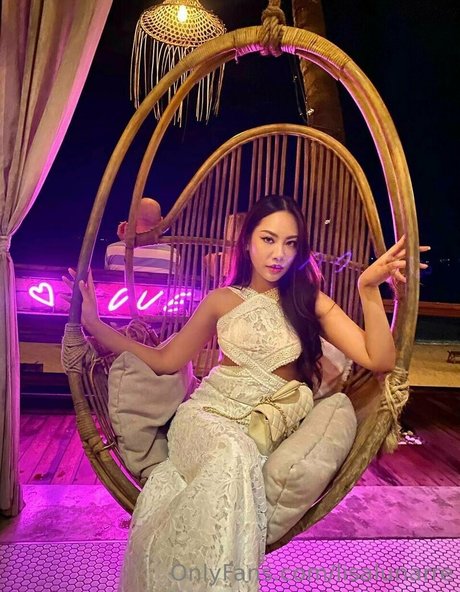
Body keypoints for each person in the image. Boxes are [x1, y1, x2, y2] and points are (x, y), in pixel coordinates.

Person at [63, 195, 429, 591]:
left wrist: (368, 288)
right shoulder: (222, 300)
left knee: (238, 453)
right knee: (233, 452)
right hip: (204, 419)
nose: (278, 253)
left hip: (257, 431)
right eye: (268, 239)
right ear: (248, 242)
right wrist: (95, 326)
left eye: (290, 243)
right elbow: (166, 360)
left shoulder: (309, 302)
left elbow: (379, 358)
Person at [105, 197, 177, 274]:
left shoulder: (112, 250)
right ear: (161, 221)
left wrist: (124, 242)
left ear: (132, 218)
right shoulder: (173, 255)